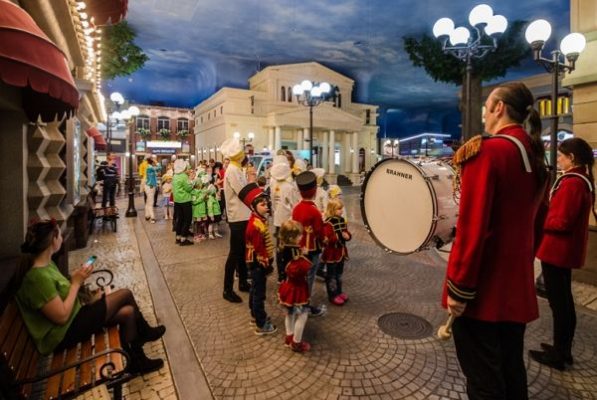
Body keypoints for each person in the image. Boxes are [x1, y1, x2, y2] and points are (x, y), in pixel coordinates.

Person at [442, 81, 548, 400]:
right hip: (515, 290)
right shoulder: (534, 156)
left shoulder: (488, 152)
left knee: (484, 382)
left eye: (486, 106)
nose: (484, 114)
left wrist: (459, 288)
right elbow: (537, 225)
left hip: (482, 294)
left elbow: (473, 228)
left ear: (499, 108)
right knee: (511, 371)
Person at [15, 220, 165, 373]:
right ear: (52, 240)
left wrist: (78, 281)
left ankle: (136, 360)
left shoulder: (47, 266)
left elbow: (63, 294)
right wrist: (75, 283)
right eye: (59, 234)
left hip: (74, 319)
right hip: (62, 334)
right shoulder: (36, 278)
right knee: (125, 294)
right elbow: (61, 316)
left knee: (128, 312)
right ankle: (144, 333)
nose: (61, 237)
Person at [529, 137, 595, 371]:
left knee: (560, 304)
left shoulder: (572, 183)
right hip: (565, 251)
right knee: (564, 302)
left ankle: (559, 353)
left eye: (561, 156)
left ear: (572, 158)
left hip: (557, 251)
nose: (558, 159)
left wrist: (539, 218)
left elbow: (561, 221)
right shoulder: (583, 180)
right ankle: (563, 349)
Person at [239, 182, 277, 335]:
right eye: (262, 204)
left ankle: (255, 316)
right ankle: (260, 323)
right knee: (259, 293)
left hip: (256, 262)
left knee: (255, 289)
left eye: (266, 203)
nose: (266, 206)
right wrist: (266, 263)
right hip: (257, 262)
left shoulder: (259, 220)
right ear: (254, 207)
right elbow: (260, 248)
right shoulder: (255, 225)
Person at [292, 171, 326, 317]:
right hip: (312, 249)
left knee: (301, 276)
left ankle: (299, 301)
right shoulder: (314, 211)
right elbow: (319, 232)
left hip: (299, 248)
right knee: (309, 277)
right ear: (314, 191)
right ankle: (305, 304)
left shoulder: (296, 208)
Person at [221, 139, 251, 303]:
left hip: (243, 215)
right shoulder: (233, 170)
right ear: (239, 155)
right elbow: (242, 192)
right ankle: (227, 289)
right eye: (243, 153)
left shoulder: (237, 169)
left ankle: (244, 282)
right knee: (234, 253)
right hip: (237, 216)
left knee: (241, 252)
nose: (245, 155)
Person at [277, 220, 312, 353]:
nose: (301, 237)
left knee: (289, 314)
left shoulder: (282, 248)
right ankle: (296, 343)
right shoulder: (295, 254)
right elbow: (301, 270)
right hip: (297, 289)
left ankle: (289, 337)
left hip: (286, 286)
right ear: (292, 238)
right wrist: (305, 255)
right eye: (299, 236)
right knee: (303, 315)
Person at [322, 198, 351, 305]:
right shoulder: (328, 223)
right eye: (339, 209)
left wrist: (348, 236)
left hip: (341, 252)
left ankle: (339, 292)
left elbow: (346, 231)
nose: (341, 211)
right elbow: (327, 239)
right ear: (332, 210)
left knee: (339, 274)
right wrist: (338, 236)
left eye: (341, 208)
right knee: (331, 276)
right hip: (331, 253)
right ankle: (332, 295)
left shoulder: (342, 220)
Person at [173, 159, 194, 246]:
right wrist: (192, 182)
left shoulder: (175, 175)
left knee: (180, 219)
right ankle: (183, 239)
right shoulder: (183, 176)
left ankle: (178, 237)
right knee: (187, 219)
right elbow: (188, 188)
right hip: (185, 200)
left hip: (177, 201)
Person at [144, 158, 157, 223]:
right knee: (151, 202)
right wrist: (156, 162)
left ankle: (147, 215)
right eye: (154, 161)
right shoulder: (150, 167)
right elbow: (159, 167)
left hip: (150, 186)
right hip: (150, 186)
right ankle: (152, 217)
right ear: (152, 162)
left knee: (148, 201)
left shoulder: (150, 167)